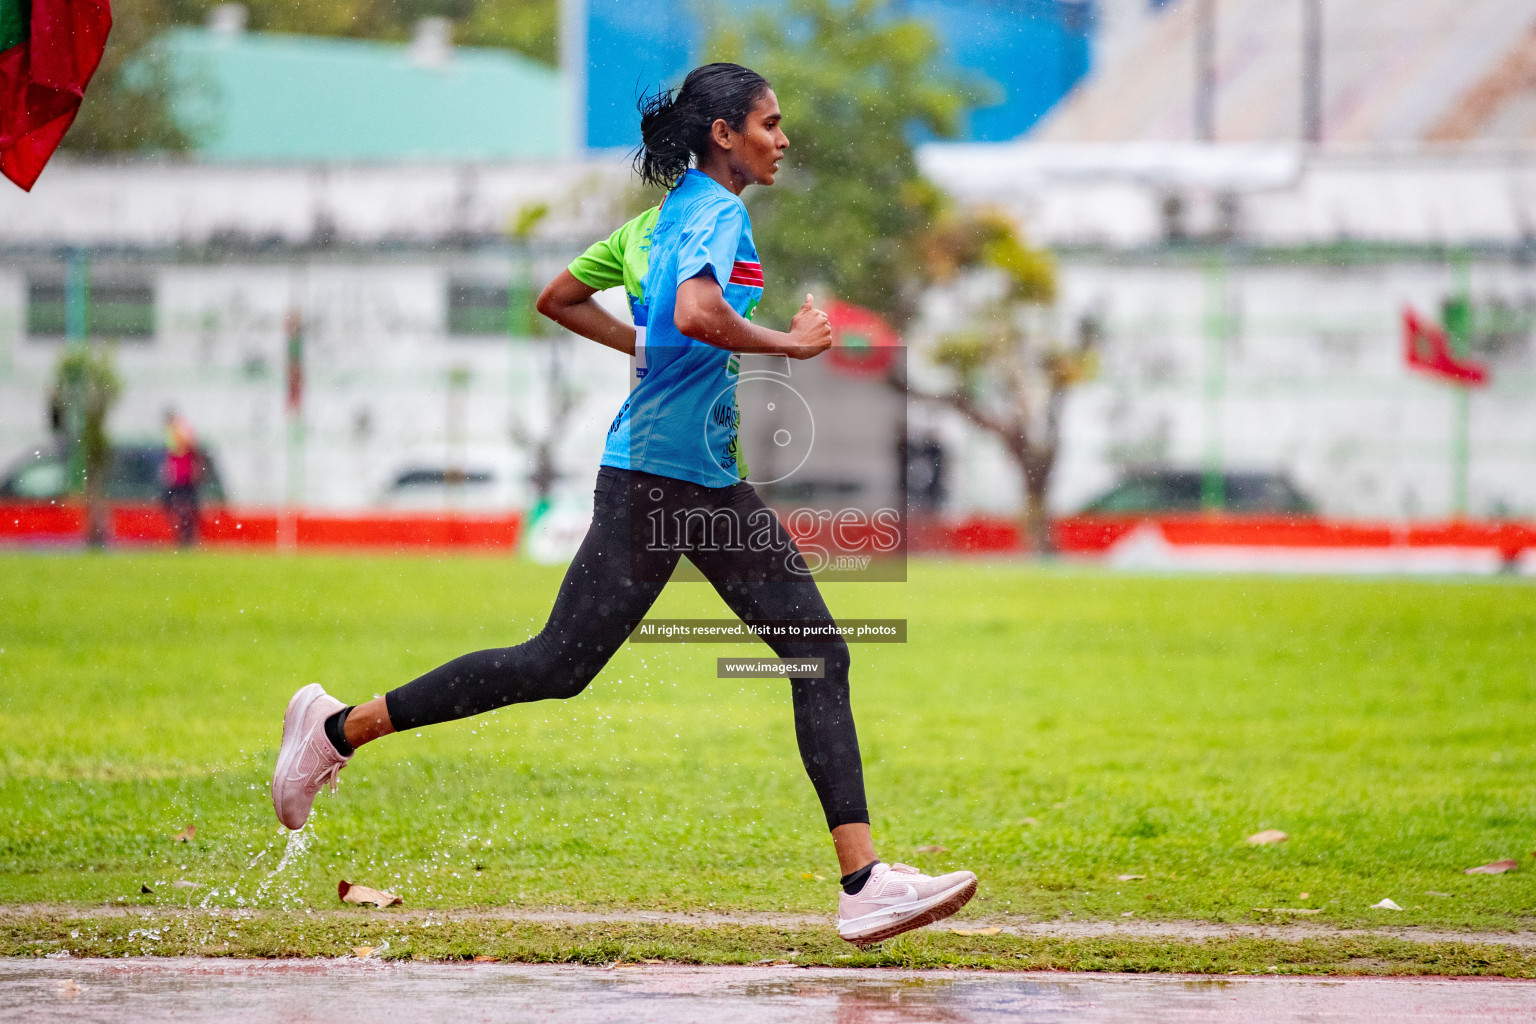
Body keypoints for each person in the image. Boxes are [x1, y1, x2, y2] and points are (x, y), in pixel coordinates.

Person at [270, 62, 977, 947]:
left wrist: (639, 340)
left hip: (702, 481)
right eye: (769, 123)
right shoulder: (719, 213)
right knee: (560, 664)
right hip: (656, 484)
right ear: (723, 133)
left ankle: (864, 882)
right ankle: (337, 728)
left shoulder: (656, 221)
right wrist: (789, 346)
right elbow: (701, 312)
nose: (782, 139)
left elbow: (559, 298)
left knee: (811, 652)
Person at [162, 409, 199, 546]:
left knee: (184, 507)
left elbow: (187, 447)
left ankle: (186, 535)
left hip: (183, 477)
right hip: (178, 477)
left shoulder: (180, 430)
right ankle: (184, 535)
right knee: (179, 506)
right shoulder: (173, 431)